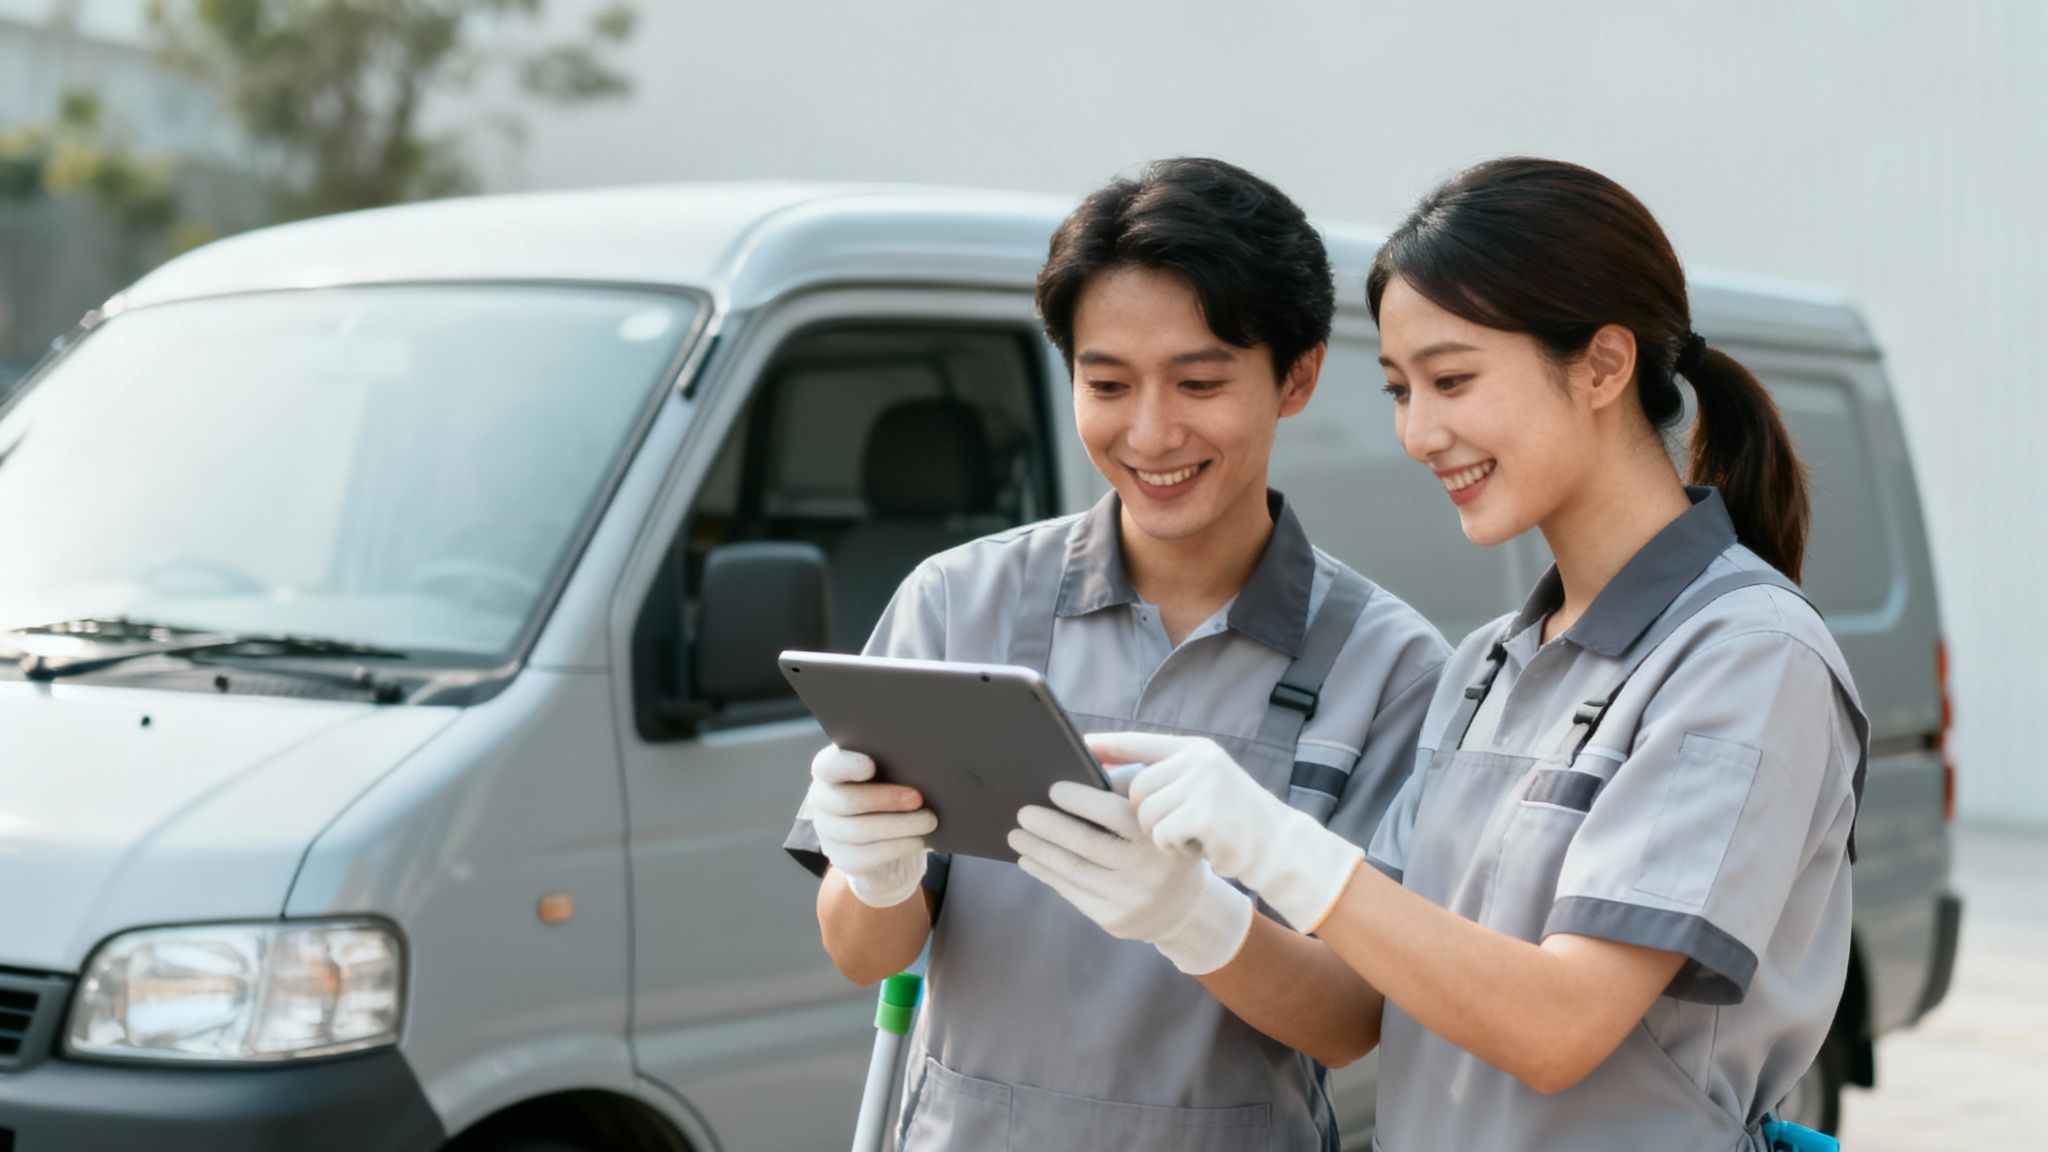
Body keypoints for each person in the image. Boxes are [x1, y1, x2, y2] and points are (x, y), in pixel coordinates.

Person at [1101, 157, 1868, 1150]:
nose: (1418, 432)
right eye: (1397, 388)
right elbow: (1356, 1009)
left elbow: (1559, 1025)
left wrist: (1279, 846)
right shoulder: (1483, 668)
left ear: (1600, 365)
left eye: (1451, 379)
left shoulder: (1745, 657)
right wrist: (1182, 910)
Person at [783, 157, 1447, 1151]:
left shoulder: (1388, 666)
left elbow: (1354, 1022)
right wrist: (873, 876)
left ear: (1296, 375)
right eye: (1106, 383)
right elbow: (860, 949)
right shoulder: (959, 603)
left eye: (1198, 381)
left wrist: (1192, 919)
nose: (1148, 431)